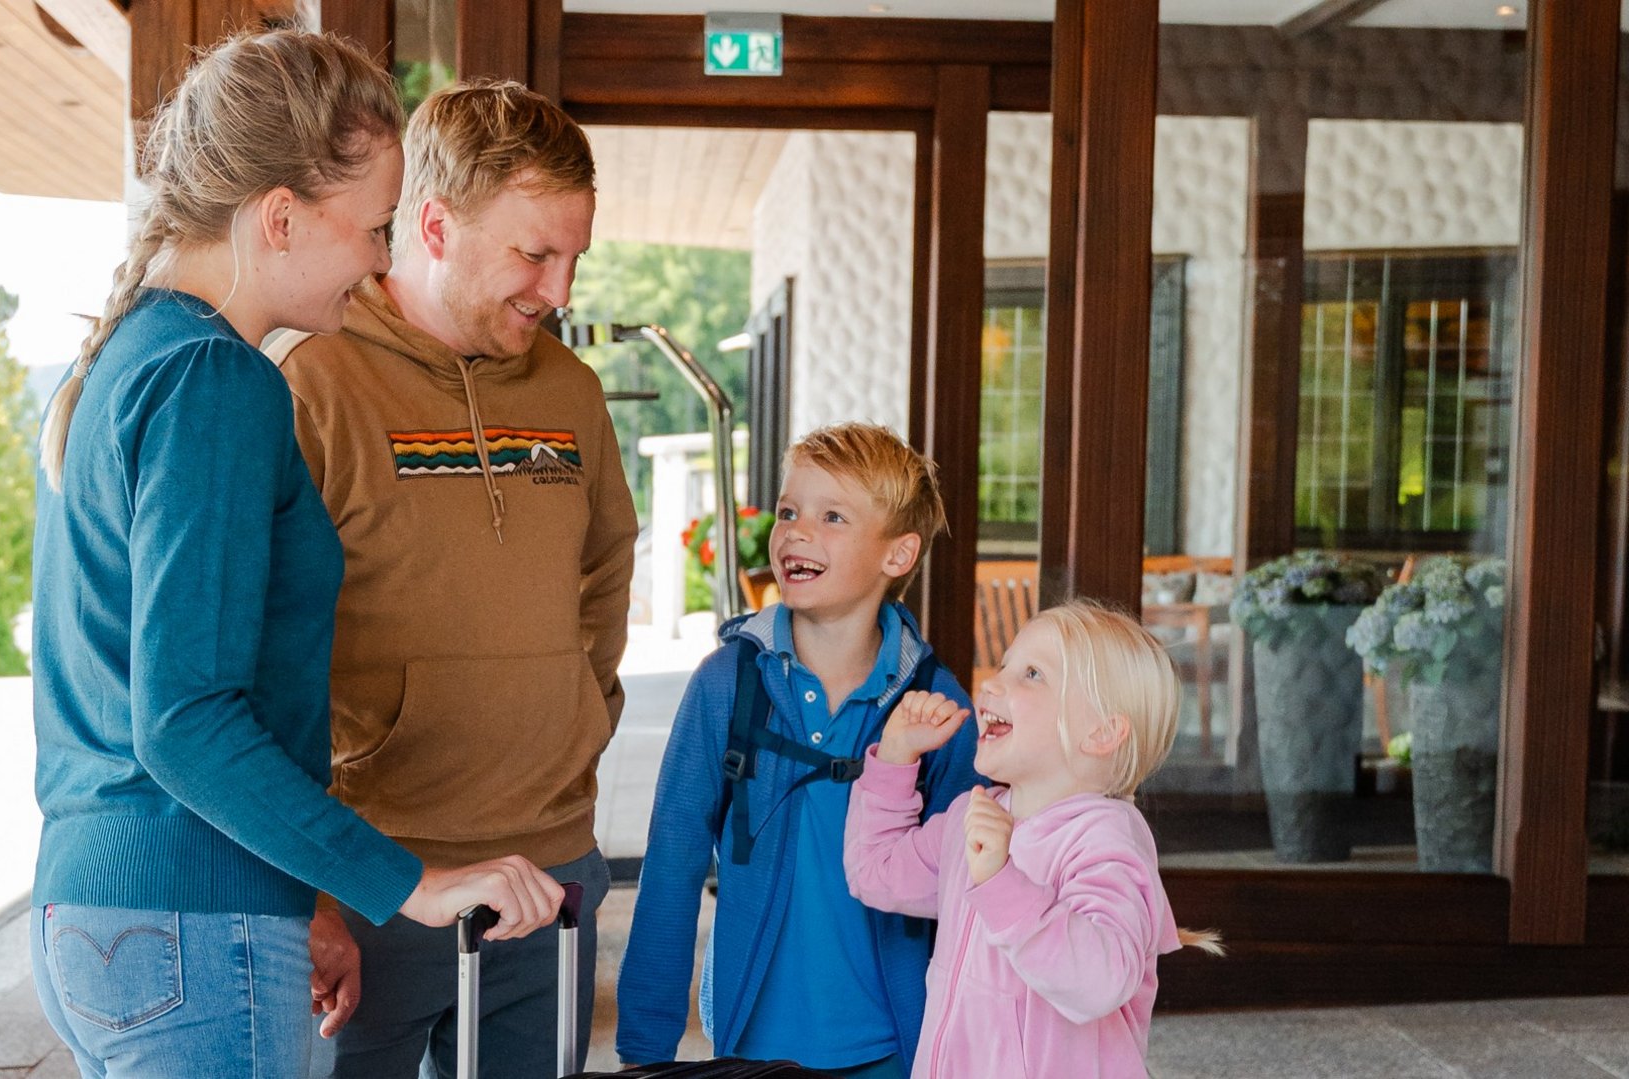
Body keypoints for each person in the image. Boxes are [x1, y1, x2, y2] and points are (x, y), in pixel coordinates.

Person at [27, 31, 564, 1078]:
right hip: (188, 923)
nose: (378, 259)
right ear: (281, 217)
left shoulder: (133, 353)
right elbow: (184, 719)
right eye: (372, 227)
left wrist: (306, 892)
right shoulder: (217, 382)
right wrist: (409, 882)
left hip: (113, 911)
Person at [266, 78, 636, 1078]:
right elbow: (258, 652)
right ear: (433, 223)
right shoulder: (315, 379)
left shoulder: (573, 390)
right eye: (534, 253)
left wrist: (576, 719)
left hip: (552, 864)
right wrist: (314, 885)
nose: (559, 291)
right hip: (377, 874)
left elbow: (604, 575)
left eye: (573, 257)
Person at [616, 422, 982, 1076]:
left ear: (898, 555)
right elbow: (672, 860)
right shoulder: (727, 683)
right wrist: (644, 1052)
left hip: (898, 1043)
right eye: (789, 510)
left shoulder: (937, 707)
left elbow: (971, 890)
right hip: (753, 1041)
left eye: (831, 515)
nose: (795, 531)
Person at [844, 600, 1225, 1078]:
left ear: (1101, 732)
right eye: (1004, 664)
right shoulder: (974, 815)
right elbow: (876, 874)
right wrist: (896, 760)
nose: (991, 683)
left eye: (1032, 674)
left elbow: (1099, 980)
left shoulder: (1105, 836)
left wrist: (1002, 882)